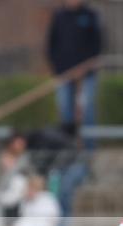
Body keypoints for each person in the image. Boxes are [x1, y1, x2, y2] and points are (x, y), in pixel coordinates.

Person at [45, 0, 103, 131]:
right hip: (64, 73)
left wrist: (87, 65)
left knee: (87, 107)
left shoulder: (90, 15)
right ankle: (68, 146)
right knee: (65, 107)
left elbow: (97, 43)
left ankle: (89, 147)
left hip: (87, 72)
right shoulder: (59, 16)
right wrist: (59, 69)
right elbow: (51, 46)